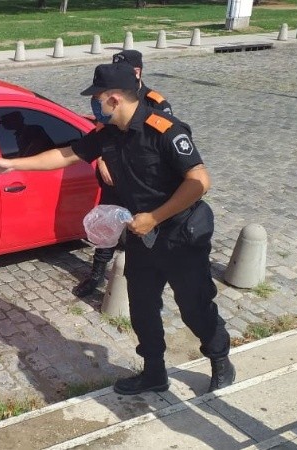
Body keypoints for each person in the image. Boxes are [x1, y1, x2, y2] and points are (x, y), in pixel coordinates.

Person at [0, 63, 235, 394]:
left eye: (98, 98)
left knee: (195, 307)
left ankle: (219, 357)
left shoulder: (164, 130)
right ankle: (154, 373)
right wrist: (11, 164)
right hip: (142, 236)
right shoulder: (108, 134)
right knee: (143, 309)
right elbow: (66, 154)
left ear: (114, 99)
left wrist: (155, 216)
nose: (95, 105)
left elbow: (200, 181)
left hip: (180, 235)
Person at [74, 49, 174, 298]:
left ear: (137, 72)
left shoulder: (155, 103)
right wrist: (101, 161)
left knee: (144, 232)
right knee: (107, 227)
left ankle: (143, 284)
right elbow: (99, 134)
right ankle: (96, 275)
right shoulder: (108, 98)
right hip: (114, 179)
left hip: (142, 184)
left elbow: (163, 149)